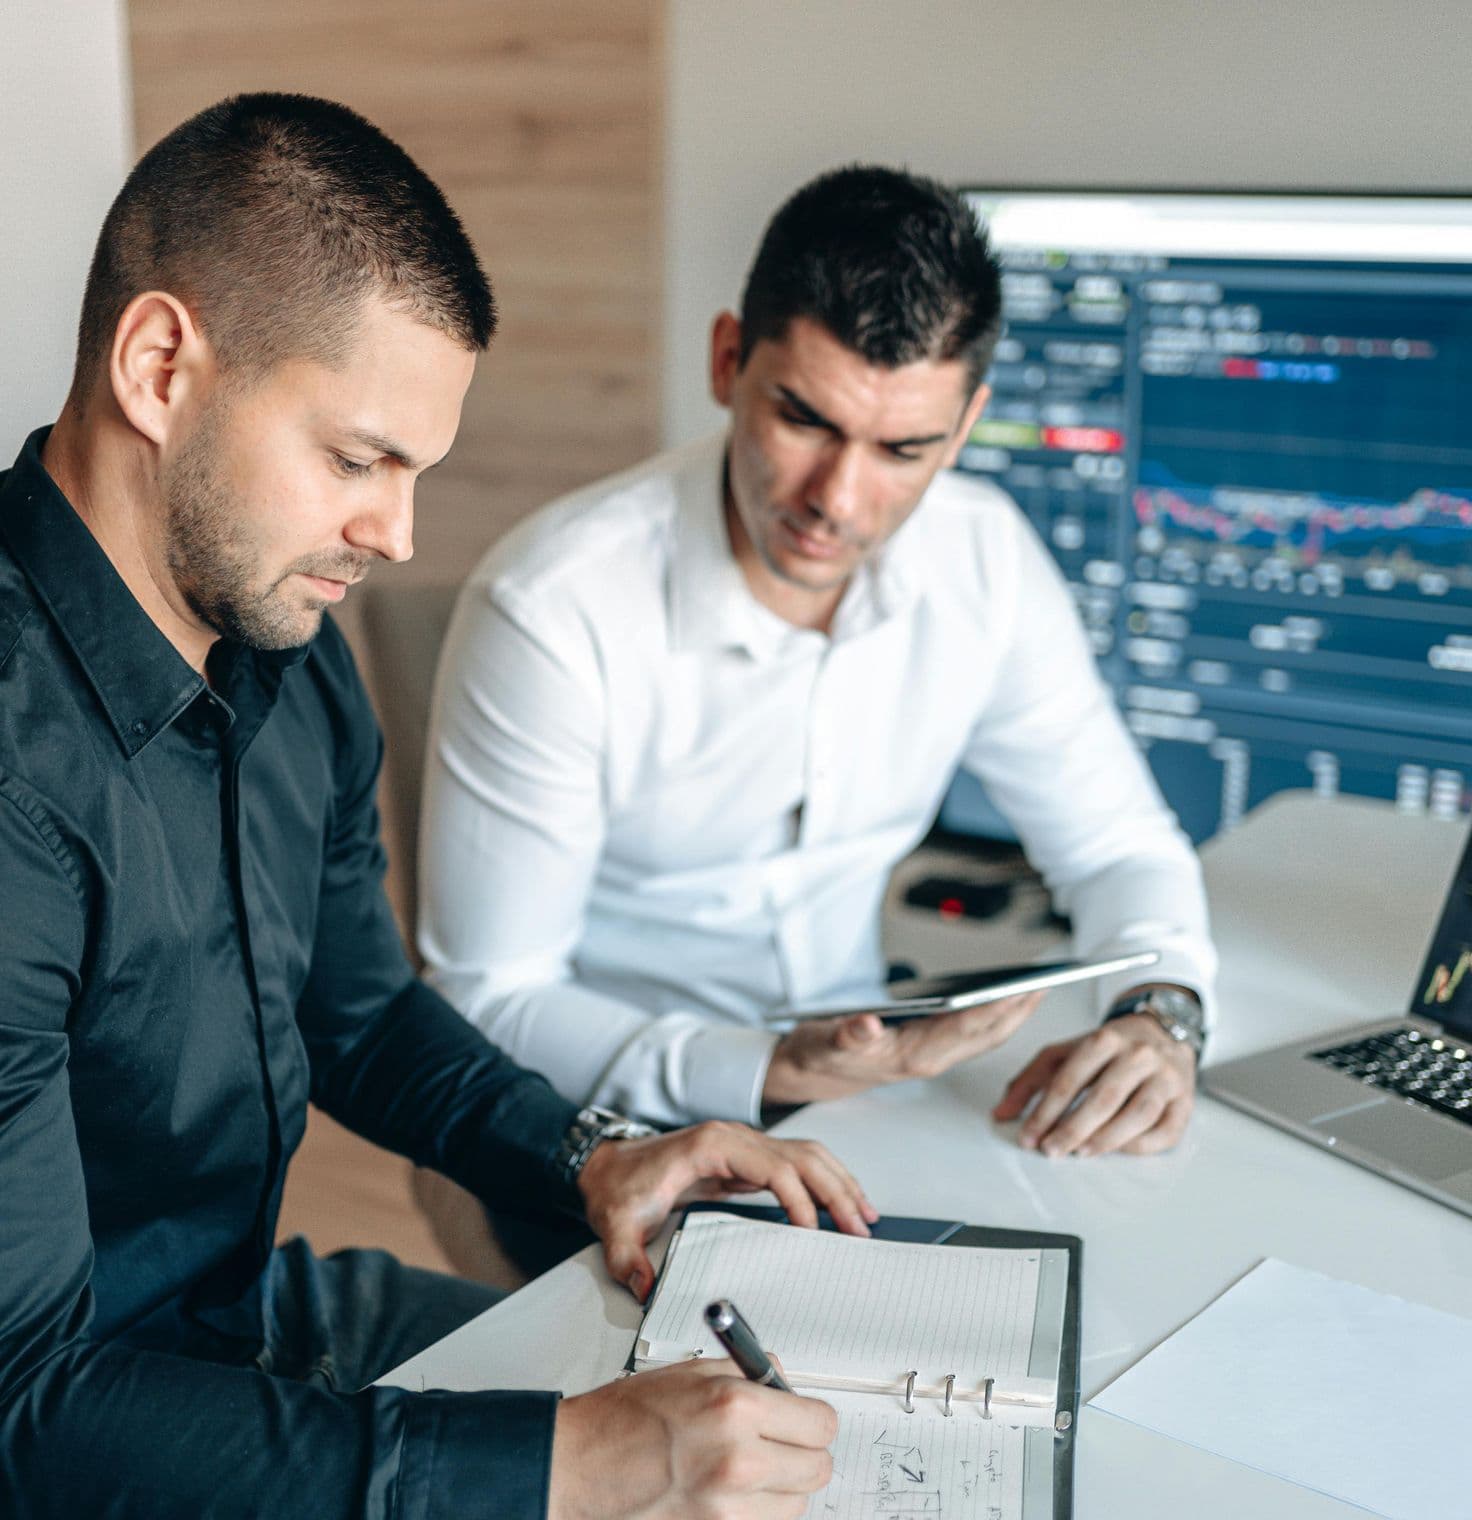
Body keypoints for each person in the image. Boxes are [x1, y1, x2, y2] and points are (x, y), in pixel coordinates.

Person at [0, 93, 876, 1520]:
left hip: (243, 1326)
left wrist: (592, 1153)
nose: (397, 536)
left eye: (417, 471)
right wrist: (576, 1463)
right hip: (80, 1418)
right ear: (161, 367)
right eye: (357, 460)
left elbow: (355, 1013)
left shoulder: (288, 649)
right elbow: (21, 1415)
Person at [420, 166, 1217, 1185]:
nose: (837, 499)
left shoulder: (985, 561)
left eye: (902, 448)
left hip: (864, 1108)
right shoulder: (553, 609)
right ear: (725, 362)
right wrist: (760, 1068)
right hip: (602, 1135)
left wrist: (1160, 1011)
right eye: (804, 420)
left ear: (964, 426)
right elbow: (488, 996)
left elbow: (1116, 847)